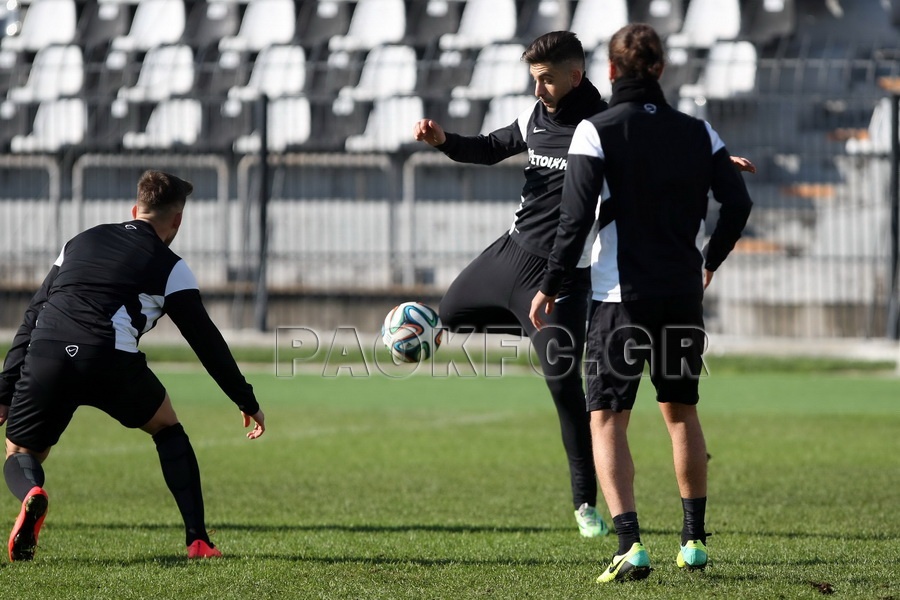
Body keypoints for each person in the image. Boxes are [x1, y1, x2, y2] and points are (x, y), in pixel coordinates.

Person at [529, 23, 754, 582]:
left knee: (606, 417)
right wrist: (708, 262)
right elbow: (738, 202)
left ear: (609, 71)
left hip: (619, 300)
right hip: (681, 296)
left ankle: (630, 544)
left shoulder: (593, 131)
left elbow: (574, 221)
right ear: (659, 68)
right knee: (680, 414)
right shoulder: (699, 132)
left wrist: (550, 284)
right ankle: (695, 541)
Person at [0, 170, 266, 562]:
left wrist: (5, 390)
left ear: (135, 208)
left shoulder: (79, 241)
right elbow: (206, 341)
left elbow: (33, 313)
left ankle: (32, 494)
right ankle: (198, 540)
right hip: (109, 359)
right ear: (177, 220)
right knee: (167, 427)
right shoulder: (171, 266)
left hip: (48, 352)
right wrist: (245, 399)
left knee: (20, 451)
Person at [414, 31, 611, 537]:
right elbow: (488, 148)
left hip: (562, 276)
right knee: (448, 315)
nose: (538, 89)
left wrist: (712, 166)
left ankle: (585, 504)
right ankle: (533, 329)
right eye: (533, 79)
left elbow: (655, 162)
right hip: (511, 252)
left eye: (546, 80)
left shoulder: (603, 126)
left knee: (565, 388)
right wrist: (443, 142)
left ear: (576, 75)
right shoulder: (535, 117)